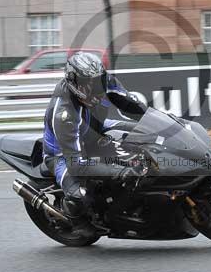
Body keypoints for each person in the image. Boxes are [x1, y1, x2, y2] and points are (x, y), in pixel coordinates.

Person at [42, 51, 147, 234]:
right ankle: (77, 221)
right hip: (63, 156)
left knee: (144, 136)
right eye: (88, 83)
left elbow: (132, 105)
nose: (95, 87)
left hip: (96, 129)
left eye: (97, 80)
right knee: (81, 196)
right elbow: (76, 165)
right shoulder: (63, 113)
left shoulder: (105, 82)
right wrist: (119, 170)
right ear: (74, 82)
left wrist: (156, 123)